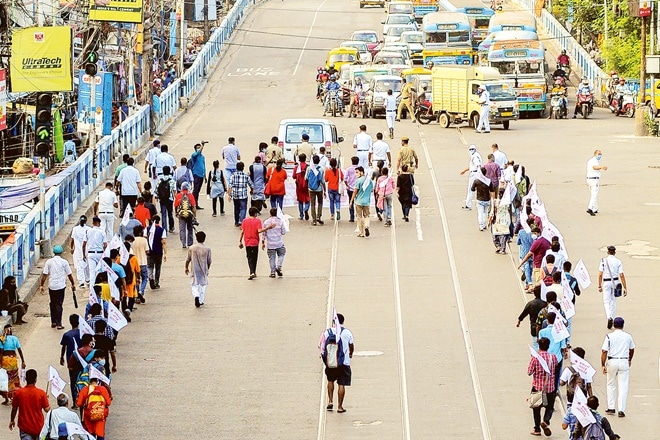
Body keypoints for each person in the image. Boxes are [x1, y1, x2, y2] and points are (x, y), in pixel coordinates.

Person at [318, 313, 354, 413]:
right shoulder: (347, 332)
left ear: (333, 322)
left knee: (330, 380)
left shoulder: (327, 332)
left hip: (331, 362)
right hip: (343, 362)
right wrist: (350, 354)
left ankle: (330, 401)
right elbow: (351, 346)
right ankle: (340, 406)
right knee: (341, 384)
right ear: (343, 321)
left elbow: (321, 346)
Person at [601, 317, 634, 417]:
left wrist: (603, 364)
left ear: (614, 325)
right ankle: (621, 409)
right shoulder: (628, 336)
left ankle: (611, 407)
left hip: (612, 360)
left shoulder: (609, 336)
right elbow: (632, 349)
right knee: (623, 385)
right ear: (623, 325)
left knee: (611, 384)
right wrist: (629, 359)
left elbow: (604, 351)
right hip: (624, 360)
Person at [40, 245, 76, 330]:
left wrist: (41, 285)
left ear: (54, 252)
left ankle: (53, 321)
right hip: (60, 286)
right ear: (61, 252)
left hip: (52, 286)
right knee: (59, 304)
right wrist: (73, 284)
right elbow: (69, 274)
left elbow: (44, 275)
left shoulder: (49, 262)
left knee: (52, 303)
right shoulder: (64, 262)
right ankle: (59, 323)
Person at [528, 337, 558, 437]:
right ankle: (546, 421)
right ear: (548, 346)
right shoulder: (552, 357)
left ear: (539, 346)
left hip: (537, 387)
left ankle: (537, 429)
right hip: (550, 387)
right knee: (550, 407)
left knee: (536, 408)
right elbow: (556, 367)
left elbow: (529, 372)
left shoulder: (535, 358)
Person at [9, 369, 49, 440]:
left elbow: (14, 409)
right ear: (35, 379)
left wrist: (12, 420)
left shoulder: (19, 393)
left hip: (25, 427)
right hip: (38, 426)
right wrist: (46, 399)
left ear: (25, 379)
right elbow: (47, 409)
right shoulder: (41, 393)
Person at [598, 245, 628, 329]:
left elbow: (600, 274)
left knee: (606, 301)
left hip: (606, 282)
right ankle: (612, 316)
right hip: (615, 282)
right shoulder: (618, 261)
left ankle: (609, 317)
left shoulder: (603, 261)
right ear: (614, 252)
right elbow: (621, 275)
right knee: (613, 301)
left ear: (608, 252)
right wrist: (625, 287)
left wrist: (599, 286)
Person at [185, 231, 213, 308]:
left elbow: (188, 259)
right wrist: (207, 269)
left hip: (194, 268)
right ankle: (201, 300)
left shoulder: (192, 248)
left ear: (196, 238)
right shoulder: (207, 249)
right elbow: (209, 261)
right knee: (203, 284)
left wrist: (186, 267)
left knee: (194, 284)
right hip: (203, 269)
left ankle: (196, 295)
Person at [0, 324, 26, 405]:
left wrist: (0, 363)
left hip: (5, 361)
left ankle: (7, 399)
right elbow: (19, 350)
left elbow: (1, 352)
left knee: (5, 379)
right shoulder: (15, 338)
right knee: (14, 379)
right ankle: (14, 397)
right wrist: (23, 361)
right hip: (13, 361)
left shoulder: (2, 339)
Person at [59, 314, 82, 405]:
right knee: (82, 378)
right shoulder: (82, 333)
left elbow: (63, 347)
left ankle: (75, 402)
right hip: (81, 360)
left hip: (71, 361)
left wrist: (61, 357)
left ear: (70, 322)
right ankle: (81, 398)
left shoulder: (66, 335)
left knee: (73, 380)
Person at [228, 161, 254, 227]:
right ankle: (241, 221)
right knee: (243, 208)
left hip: (235, 195)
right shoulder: (246, 176)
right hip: (243, 195)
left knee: (236, 208)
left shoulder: (233, 176)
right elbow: (251, 185)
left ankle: (236, 222)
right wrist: (252, 191)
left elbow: (230, 186)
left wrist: (229, 195)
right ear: (243, 168)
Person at [239, 207, 262, 280]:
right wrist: (268, 228)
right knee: (255, 257)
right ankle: (253, 271)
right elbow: (259, 231)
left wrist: (240, 241)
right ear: (255, 214)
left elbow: (242, 232)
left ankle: (252, 272)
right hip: (255, 242)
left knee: (249, 257)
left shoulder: (245, 221)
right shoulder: (258, 221)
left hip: (247, 242)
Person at [262, 208, 286, 278]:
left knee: (271, 257)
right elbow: (283, 232)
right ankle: (279, 267)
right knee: (281, 254)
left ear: (270, 214)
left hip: (270, 244)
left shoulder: (266, 222)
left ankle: (272, 272)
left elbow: (264, 233)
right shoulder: (280, 221)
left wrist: (263, 243)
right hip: (279, 243)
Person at [350, 166, 373, 238]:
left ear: (362, 172)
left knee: (359, 217)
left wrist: (351, 201)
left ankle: (361, 232)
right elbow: (372, 189)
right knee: (367, 216)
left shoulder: (358, 181)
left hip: (359, 201)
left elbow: (355, 191)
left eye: (357, 172)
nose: (356, 174)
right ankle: (366, 226)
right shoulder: (369, 180)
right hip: (366, 202)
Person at [145, 215, 167, 289]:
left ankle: (150, 278)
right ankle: (156, 282)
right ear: (159, 221)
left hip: (149, 251)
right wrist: (165, 253)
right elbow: (163, 242)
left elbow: (145, 239)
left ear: (152, 221)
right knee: (158, 267)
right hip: (158, 251)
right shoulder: (162, 230)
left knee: (150, 266)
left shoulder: (147, 229)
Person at [83, 217, 107, 282]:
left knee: (92, 272)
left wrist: (84, 255)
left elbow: (84, 244)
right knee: (100, 271)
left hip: (91, 253)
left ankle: (92, 289)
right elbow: (105, 245)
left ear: (93, 223)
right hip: (100, 253)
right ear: (99, 223)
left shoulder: (88, 231)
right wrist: (104, 254)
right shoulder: (102, 232)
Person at [174, 182, 197, 249]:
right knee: (190, 228)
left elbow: (175, 206)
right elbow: (194, 207)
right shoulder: (190, 195)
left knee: (182, 229)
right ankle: (190, 243)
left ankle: (183, 243)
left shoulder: (178, 195)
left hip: (181, 214)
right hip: (189, 214)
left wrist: (176, 213)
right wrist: (195, 216)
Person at [459, 144, 482, 210]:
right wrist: (465, 170)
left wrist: (479, 173)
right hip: (476, 173)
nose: (471, 151)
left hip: (474, 174)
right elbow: (472, 166)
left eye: (472, 149)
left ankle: (468, 205)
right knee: (479, 189)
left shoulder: (475, 157)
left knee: (471, 189)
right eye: (470, 149)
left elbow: (477, 165)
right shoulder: (477, 155)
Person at [70, 215, 90, 288]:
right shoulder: (88, 229)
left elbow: (72, 240)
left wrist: (71, 248)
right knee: (87, 265)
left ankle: (82, 281)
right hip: (86, 250)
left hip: (78, 251)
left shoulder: (75, 229)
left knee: (79, 267)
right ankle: (88, 279)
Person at [585, 149, 607, 216]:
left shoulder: (592, 160)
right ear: (595, 154)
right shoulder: (593, 161)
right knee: (594, 194)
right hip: (594, 179)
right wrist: (601, 167)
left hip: (589, 179)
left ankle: (595, 208)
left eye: (601, 154)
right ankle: (590, 208)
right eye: (599, 154)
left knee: (593, 194)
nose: (600, 155)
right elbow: (594, 167)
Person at [306, 155, 326, 226]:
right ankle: (319, 216)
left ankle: (314, 220)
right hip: (319, 188)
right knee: (320, 202)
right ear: (319, 161)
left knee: (312, 204)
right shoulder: (321, 169)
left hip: (311, 189)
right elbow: (323, 181)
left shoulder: (309, 168)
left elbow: (306, 178)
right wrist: (325, 190)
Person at [131, 225, 149, 303]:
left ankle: (137, 295)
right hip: (143, 262)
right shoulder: (144, 240)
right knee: (145, 278)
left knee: (136, 279)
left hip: (135, 263)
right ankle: (141, 291)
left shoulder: (132, 241)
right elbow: (147, 251)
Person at [156, 165, 176, 232]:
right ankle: (171, 227)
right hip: (170, 199)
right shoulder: (172, 181)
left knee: (163, 214)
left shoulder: (160, 181)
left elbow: (156, 190)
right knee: (170, 213)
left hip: (162, 199)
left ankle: (164, 229)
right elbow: (174, 191)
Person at [517, 219, 535, 291]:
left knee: (527, 267)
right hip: (532, 252)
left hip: (524, 252)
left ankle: (529, 283)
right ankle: (527, 283)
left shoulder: (521, 232)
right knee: (530, 268)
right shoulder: (533, 233)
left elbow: (518, 242)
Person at [190, 142, 207, 209]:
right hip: (196, 174)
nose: (199, 149)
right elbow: (197, 153)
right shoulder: (194, 155)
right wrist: (202, 145)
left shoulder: (202, 157)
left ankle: (196, 204)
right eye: (198, 148)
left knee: (198, 190)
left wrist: (205, 176)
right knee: (195, 190)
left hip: (201, 175)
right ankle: (193, 204)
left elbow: (204, 166)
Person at [343, 156, 359, 222]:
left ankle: (351, 216)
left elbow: (345, 179)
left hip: (350, 188)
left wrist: (347, 185)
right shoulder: (360, 169)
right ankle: (358, 215)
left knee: (351, 201)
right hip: (358, 188)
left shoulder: (349, 169)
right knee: (358, 202)